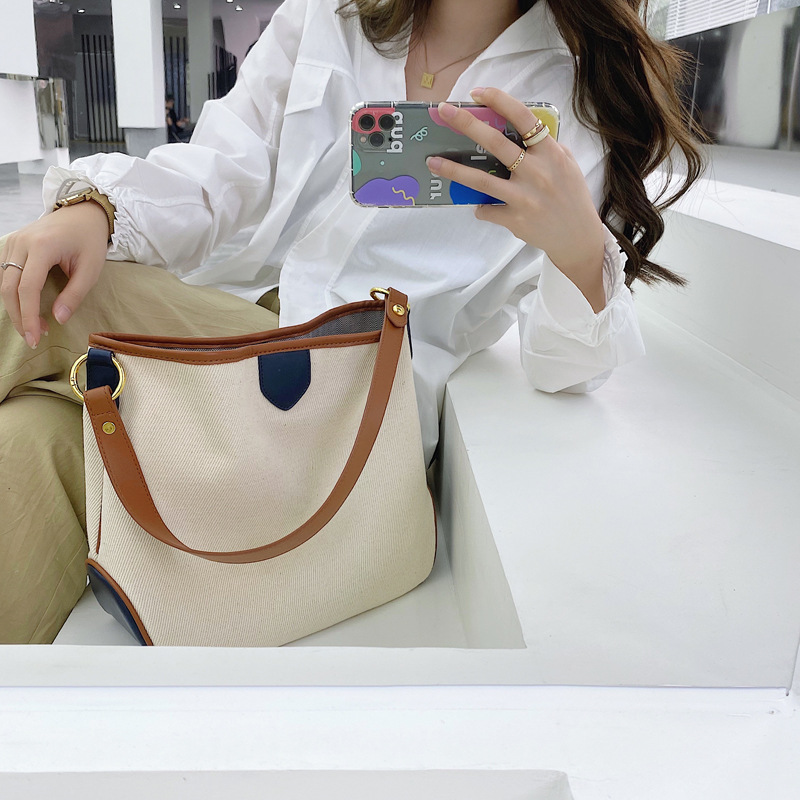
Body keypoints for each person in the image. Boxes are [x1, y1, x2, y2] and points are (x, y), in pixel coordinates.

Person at [0, 0, 705, 643]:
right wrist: (98, 210)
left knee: (37, 292)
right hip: (244, 340)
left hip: (361, 408)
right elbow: (224, 168)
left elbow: (566, 367)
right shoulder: (329, 19)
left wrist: (579, 251)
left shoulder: (585, 91)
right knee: (26, 438)